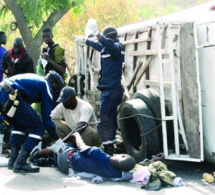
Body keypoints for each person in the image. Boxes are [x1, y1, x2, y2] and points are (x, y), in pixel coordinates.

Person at [75, 21, 125, 155]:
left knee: (103, 120)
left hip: (112, 90)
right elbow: (98, 45)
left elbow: (110, 47)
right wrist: (85, 40)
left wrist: (98, 35)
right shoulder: (106, 47)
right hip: (108, 90)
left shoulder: (118, 47)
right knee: (110, 119)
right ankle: (110, 148)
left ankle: (108, 150)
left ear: (108, 37)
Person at [0, 70, 64, 173]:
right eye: (58, 87)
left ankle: (13, 161)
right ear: (53, 82)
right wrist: (57, 139)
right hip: (10, 94)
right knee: (38, 128)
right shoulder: (46, 85)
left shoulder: (37, 80)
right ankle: (20, 163)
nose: (57, 90)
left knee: (19, 127)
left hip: (3, 91)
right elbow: (46, 119)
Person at [30, 132, 136, 182]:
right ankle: (47, 158)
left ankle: (35, 154)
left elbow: (81, 146)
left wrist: (76, 135)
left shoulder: (97, 154)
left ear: (121, 156)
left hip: (66, 158)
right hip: (67, 168)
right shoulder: (117, 173)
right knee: (58, 154)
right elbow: (128, 175)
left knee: (58, 147)